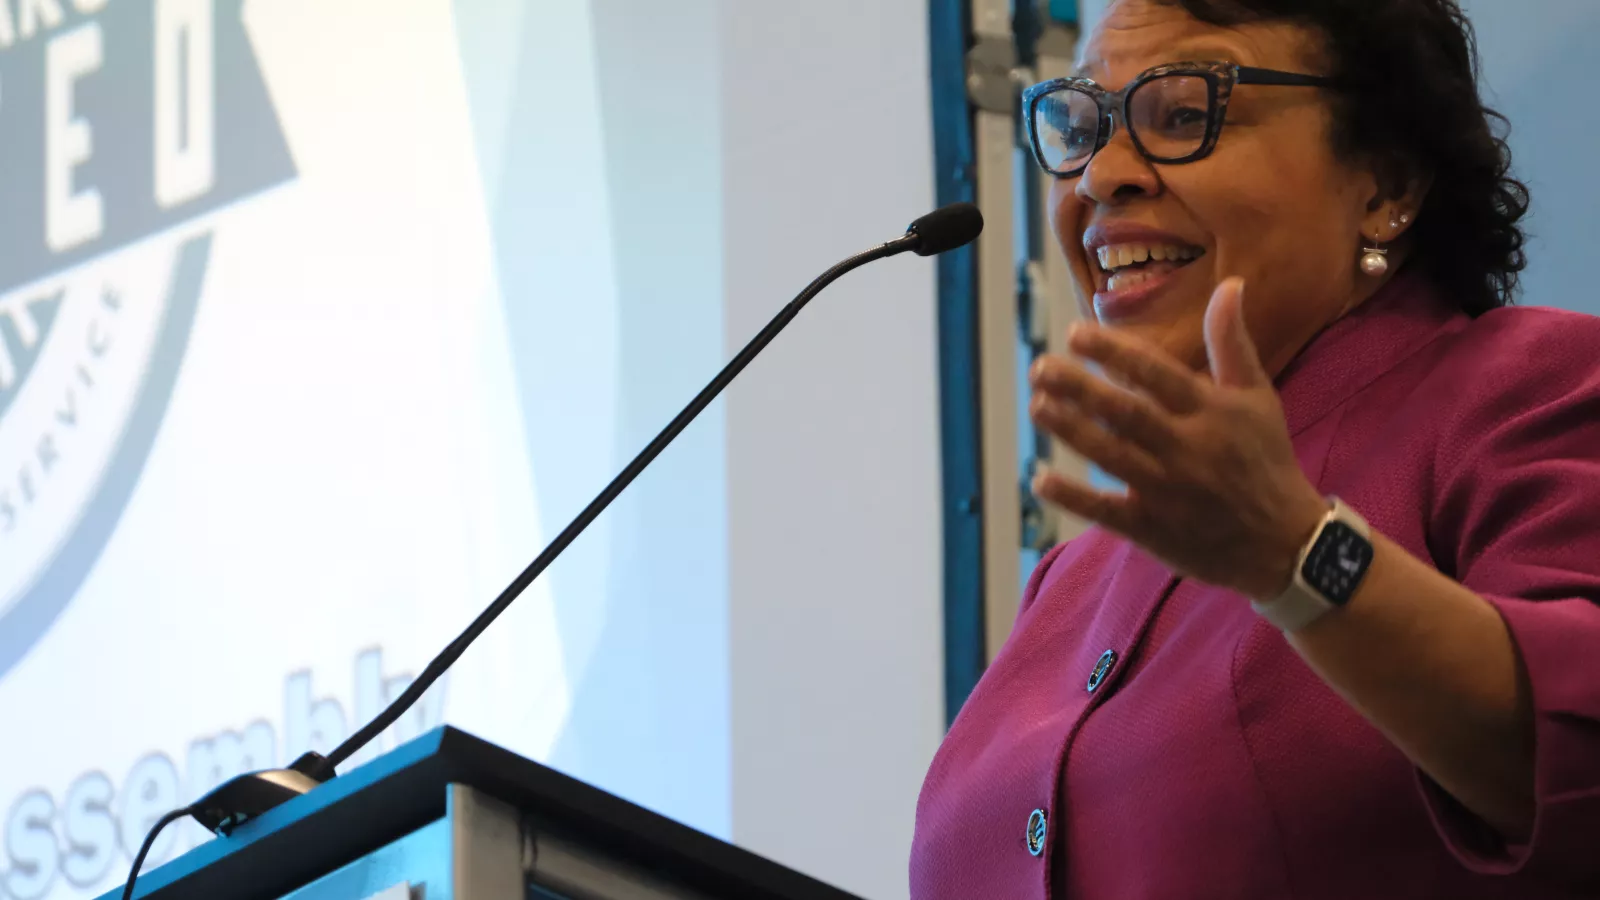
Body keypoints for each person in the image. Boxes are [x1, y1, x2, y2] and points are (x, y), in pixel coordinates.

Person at [909, 1, 1600, 898]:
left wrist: (1302, 561)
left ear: (1386, 185)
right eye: (1079, 126)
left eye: (1186, 114)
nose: (1104, 176)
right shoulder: (1067, 585)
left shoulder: (1532, 391)